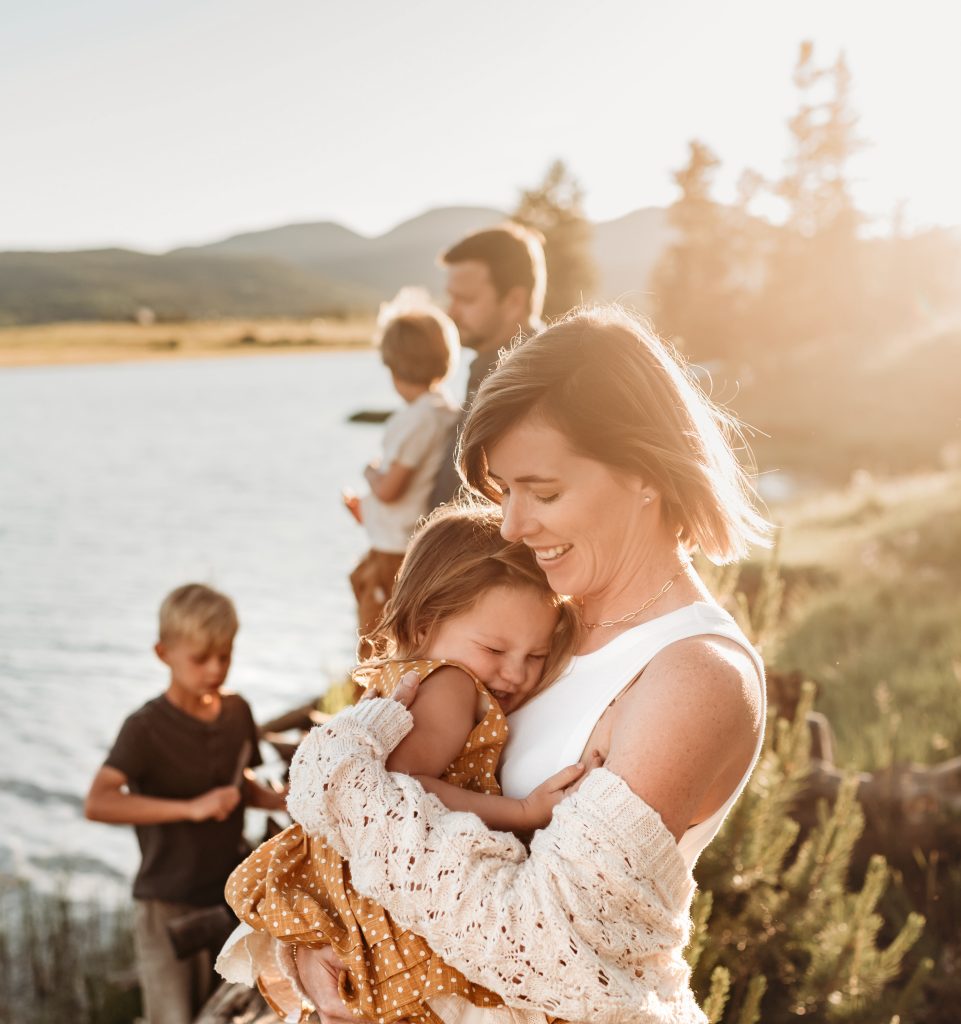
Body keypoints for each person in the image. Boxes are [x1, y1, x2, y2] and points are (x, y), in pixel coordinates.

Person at [286, 306, 774, 1024]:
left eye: (542, 492)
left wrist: (340, 785)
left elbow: (544, 942)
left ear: (644, 471)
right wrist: (300, 948)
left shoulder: (693, 675)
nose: (512, 526)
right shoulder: (541, 626)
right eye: (502, 491)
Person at [216, 505, 580, 1023]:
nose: (515, 673)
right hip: (391, 886)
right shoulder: (452, 683)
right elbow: (404, 789)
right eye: (496, 648)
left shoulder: (400, 678)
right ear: (426, 623)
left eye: (536, 656)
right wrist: (521, 812)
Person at [84, 583, 286, 1024]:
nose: (215, 669)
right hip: (167, 905)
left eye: (225, 656)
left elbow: (239, 783)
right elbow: (98, 802)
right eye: (201, 658)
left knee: (227, 1012)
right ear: (163, 653)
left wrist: (274, 798)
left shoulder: (238, 712)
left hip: (229, 896)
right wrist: (190, 808)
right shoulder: (144, 729)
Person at [345, 291, 461, 658]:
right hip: (399, 537)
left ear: (395, 367)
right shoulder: (444, 410)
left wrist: (370, 472)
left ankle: (369, 699)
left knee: (376, 634)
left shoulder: (415, 419)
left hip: (393, 550)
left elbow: (392, 489)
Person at [428, 223, 547, 509]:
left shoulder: (532, 381)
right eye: (451, 297)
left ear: (514, 301)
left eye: (466, 299)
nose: (451, 311)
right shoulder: (491, 369)